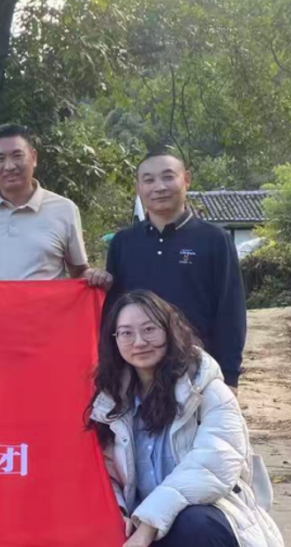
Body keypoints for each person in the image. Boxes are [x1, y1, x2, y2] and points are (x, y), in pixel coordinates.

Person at [88, 290, 284, 547]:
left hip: (213, 525)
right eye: (126, 333)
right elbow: (105, 473)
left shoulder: (207, 388)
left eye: (149, 329)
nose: (138, 341)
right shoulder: (111, 398)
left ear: (170, 330)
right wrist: (119, 519)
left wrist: (148, 524)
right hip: (145, 532)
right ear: (114, 340)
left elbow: (213, 464)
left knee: (196, 525)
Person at [92, 153, 247, 388]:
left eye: (168, 177)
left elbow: (230, 311)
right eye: (149, 180)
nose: (159, 187)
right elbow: (114, 312)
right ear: (138, 187)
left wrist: (230, 376)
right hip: (137, 372)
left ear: (186, 179)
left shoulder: (215, 239)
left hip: (197, 371)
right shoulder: (123, 243)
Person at [0, 123, 97, 285]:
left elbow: (79, 272)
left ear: (34, 158)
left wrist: (94, 276)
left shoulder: (65, 209)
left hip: (46, 303)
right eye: (0, 159)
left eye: (17, 156)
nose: (9, 166)